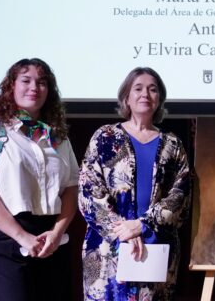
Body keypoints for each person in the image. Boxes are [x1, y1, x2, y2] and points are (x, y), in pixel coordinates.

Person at [0, 58, 79, 300]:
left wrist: (56, 233)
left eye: (42, 82)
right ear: (11, 86)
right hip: (2, 240)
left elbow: (70, 189)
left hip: (50, 243)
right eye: (26, 80)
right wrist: (22, 236)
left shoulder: (58, 138)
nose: (34, 87)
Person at [79, 67, 192, 301]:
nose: (145, 95)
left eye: (153, 90)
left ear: (159, 99)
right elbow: (89, 189)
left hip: (155, 244)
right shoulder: (105, 137)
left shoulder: (173, 144)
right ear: (126, 98)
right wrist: (124, 230)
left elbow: (180, 193)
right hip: (108, 245)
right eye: (138, 89)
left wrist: (143, 225)